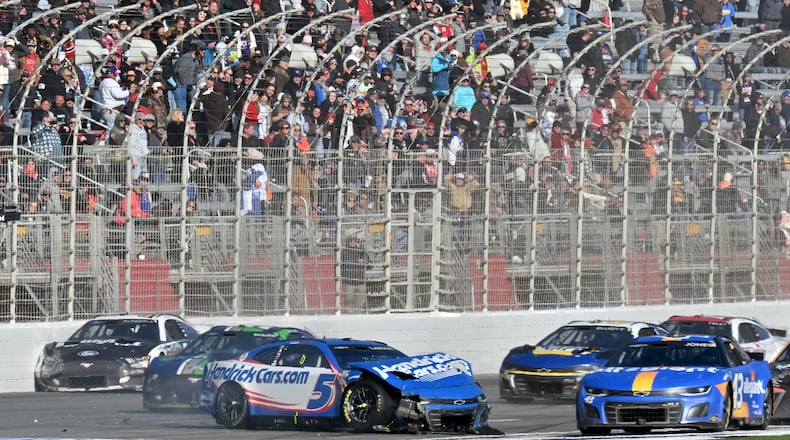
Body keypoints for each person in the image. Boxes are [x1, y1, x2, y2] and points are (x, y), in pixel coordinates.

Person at [340, 229, 367, 312]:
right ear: (348, 242)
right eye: (350, 241)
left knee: (360, 302)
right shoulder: (344, 252)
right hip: (349, 282)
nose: (352, 242)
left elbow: (370, 264)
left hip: (360, 281)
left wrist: (364, 261)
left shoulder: (361, 251)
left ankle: (359, 315)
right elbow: (339, 266)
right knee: (349, 302)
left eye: (354, 241)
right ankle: (350, 317)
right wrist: (343, 277)